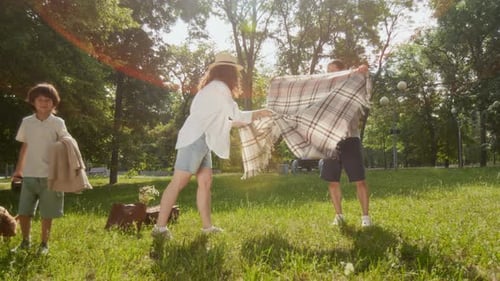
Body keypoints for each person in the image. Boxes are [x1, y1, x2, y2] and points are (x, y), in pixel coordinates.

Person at [150, 52, 273, 257]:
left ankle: (207, 227)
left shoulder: (212, 89)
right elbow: (236, 115)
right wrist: (259, 113)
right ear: (229, 72)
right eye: (235, 72)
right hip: (195, 139)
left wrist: (251, 118)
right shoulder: (219, 88)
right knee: (178, 182)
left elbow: (226, 120)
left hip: (203, 139)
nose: (237, 77)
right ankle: (159, 229)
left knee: (205, 182)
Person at [12, 83, 70, 255]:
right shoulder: (27, 122)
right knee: (24, 211)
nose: (44, 103)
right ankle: (25, 242)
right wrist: (18, 170)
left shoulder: (58, 123)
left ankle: (44, 244)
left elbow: (67, 144)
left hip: (51, 176)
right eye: (40, 100)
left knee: (47, 212)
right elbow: (25, 146)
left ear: (54, 103)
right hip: (29, 174)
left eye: (48, 100)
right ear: (33, 102)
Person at [321, 59, 372, 227]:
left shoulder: (353, 90)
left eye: (333, 71)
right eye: (328, 71)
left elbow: (366, 89)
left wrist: (364, 73)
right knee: (333, 181)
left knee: (360, 180)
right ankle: (339, 215)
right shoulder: (325, 92)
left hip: (350, 139)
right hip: (331, 141)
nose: (329, 74)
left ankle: (365, 217)